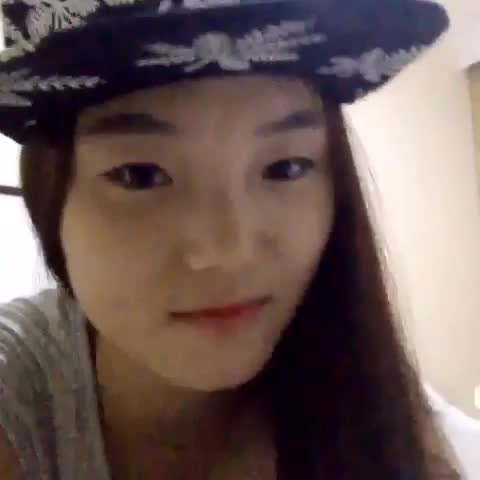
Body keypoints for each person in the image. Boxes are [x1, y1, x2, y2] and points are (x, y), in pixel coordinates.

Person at [0, 0, 462, 479]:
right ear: (50, 196)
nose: (229, 252)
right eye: (141, 175)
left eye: (285, 167)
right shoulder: (19, 388)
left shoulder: (380, 404)